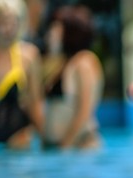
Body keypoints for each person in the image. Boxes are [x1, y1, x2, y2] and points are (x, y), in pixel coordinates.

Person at [42, 5, 103, 149]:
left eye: (56, 29)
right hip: (62, 149)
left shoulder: (84, 62)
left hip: (79, 147)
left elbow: (85, 108)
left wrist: (66, 145)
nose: (51, 33)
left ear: (71, 32)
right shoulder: (63, 63)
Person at [0, 0, 44, 149]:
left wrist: (44, 138)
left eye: (13, 23)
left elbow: (35, 103)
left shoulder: (28, 57)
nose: (8, 29)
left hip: (16, 142)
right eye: (3, 23)